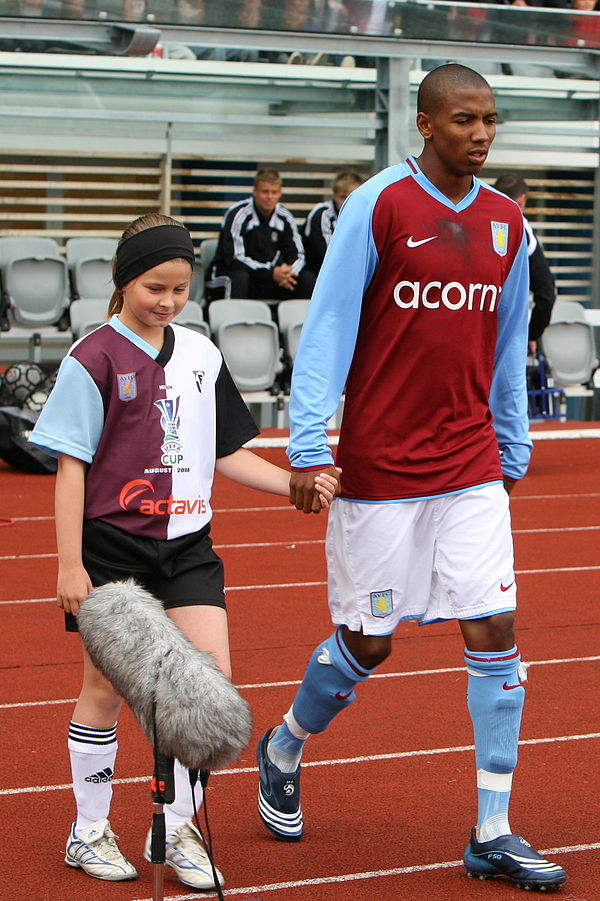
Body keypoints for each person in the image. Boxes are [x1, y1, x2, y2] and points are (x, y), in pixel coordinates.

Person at [255, 64, 567, 891]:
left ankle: (492, 829)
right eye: (465, 119)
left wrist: (512, 439)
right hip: (382, 466)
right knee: (370, 641)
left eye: (491, 119)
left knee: (494, 628)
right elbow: (326, 325)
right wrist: (310, 445)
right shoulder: (379, 205)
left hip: (468, 464)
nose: (482, 133)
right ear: (426, 124)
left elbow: (508, 346)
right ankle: (284, 743)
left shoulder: (508, 224)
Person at [28, 213, 339, 890]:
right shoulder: (94, 359)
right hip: (111, 549)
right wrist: (69, 564)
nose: (167, 300)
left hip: (188, 545)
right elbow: (70, 469)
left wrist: (292, 482)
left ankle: (178, 825)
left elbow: (228, 451)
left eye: (178, 287)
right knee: (107, 688)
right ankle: (88, 830)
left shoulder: (202, 354)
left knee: (207, 690)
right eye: (152, 286)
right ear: (123, 281)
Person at [209, 169, 316, 301]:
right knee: (240, 277)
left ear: (280, 193)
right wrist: (271, 273)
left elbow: (298, 255)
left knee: (306, 279)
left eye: (274, 192)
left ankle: (303, 321)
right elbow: (236, 258)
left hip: (268, 277)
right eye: (265, 192)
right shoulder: (238, 214)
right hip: (228, 275)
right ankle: (233, 319)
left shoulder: (284, 216)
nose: (270, 197)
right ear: (255, 192)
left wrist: (288, 273)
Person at [494, 173, 556, 354]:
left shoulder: (474, 222)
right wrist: (532, 334)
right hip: (509, 336)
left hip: (471, 332)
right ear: (521, 200)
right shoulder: (523, 231)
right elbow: (547, 294)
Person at [302, 171, 363, 277]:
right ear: (334, 195)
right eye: (343, 197)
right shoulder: (322, 213)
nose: (347, 202)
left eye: (352, 197)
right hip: (317, 273)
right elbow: (327, 256)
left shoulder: (363, 215)